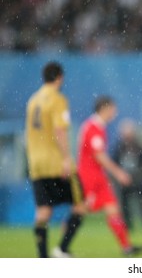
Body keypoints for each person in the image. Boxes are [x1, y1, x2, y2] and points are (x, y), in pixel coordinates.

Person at [25, 61, 86, 258]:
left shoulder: (33, 101)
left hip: (36, 164)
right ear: (59, 77)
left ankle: (42, 257)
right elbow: (60, 130)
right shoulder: (58, 100)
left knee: (43, 211)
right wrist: (67, 158)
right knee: (80, 205)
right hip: (56, 162)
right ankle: (62, 248)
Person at [77, 95, 142, 256]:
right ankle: (62, 247)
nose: (115, 112)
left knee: (113, 209)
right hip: (89, 177)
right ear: (105, 108)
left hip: (98, 176)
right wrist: (119, 172)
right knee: (80, 210)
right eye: (113, 109)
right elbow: (99, 156)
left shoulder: (98, 126)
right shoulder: (93, 127)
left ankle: (126, 247)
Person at [112, 118, 142, 230]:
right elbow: (114, 163)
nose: (127, 137)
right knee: (125, 204)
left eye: (129, 134)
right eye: (125, 134)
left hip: (139, 180)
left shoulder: (139, 147)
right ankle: (128, 226)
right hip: (124, 181)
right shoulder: (118, 148)